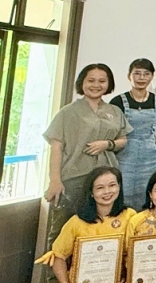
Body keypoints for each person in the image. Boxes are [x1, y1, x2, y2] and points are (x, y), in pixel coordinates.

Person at [44, 63, 130, 242]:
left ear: (109, 84)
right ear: (81, 82)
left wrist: (107, 144)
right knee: (63, 231)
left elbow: (123, 140)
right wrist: (55, 180)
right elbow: (56, 147)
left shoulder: (114, 111)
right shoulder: (67, 112)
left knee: (101, 229)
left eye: (102, 81)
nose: (96, 85)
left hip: (106, 179)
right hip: (75, 178)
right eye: (91, 80)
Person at [111, 58, 156, 209]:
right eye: (137, 73)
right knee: (122, 195)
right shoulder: (118, 101)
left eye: (146, 74)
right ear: (129, 76)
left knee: (148, 196)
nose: (141, 78)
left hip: (150, 157)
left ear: (152, 76)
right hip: (124, 157)